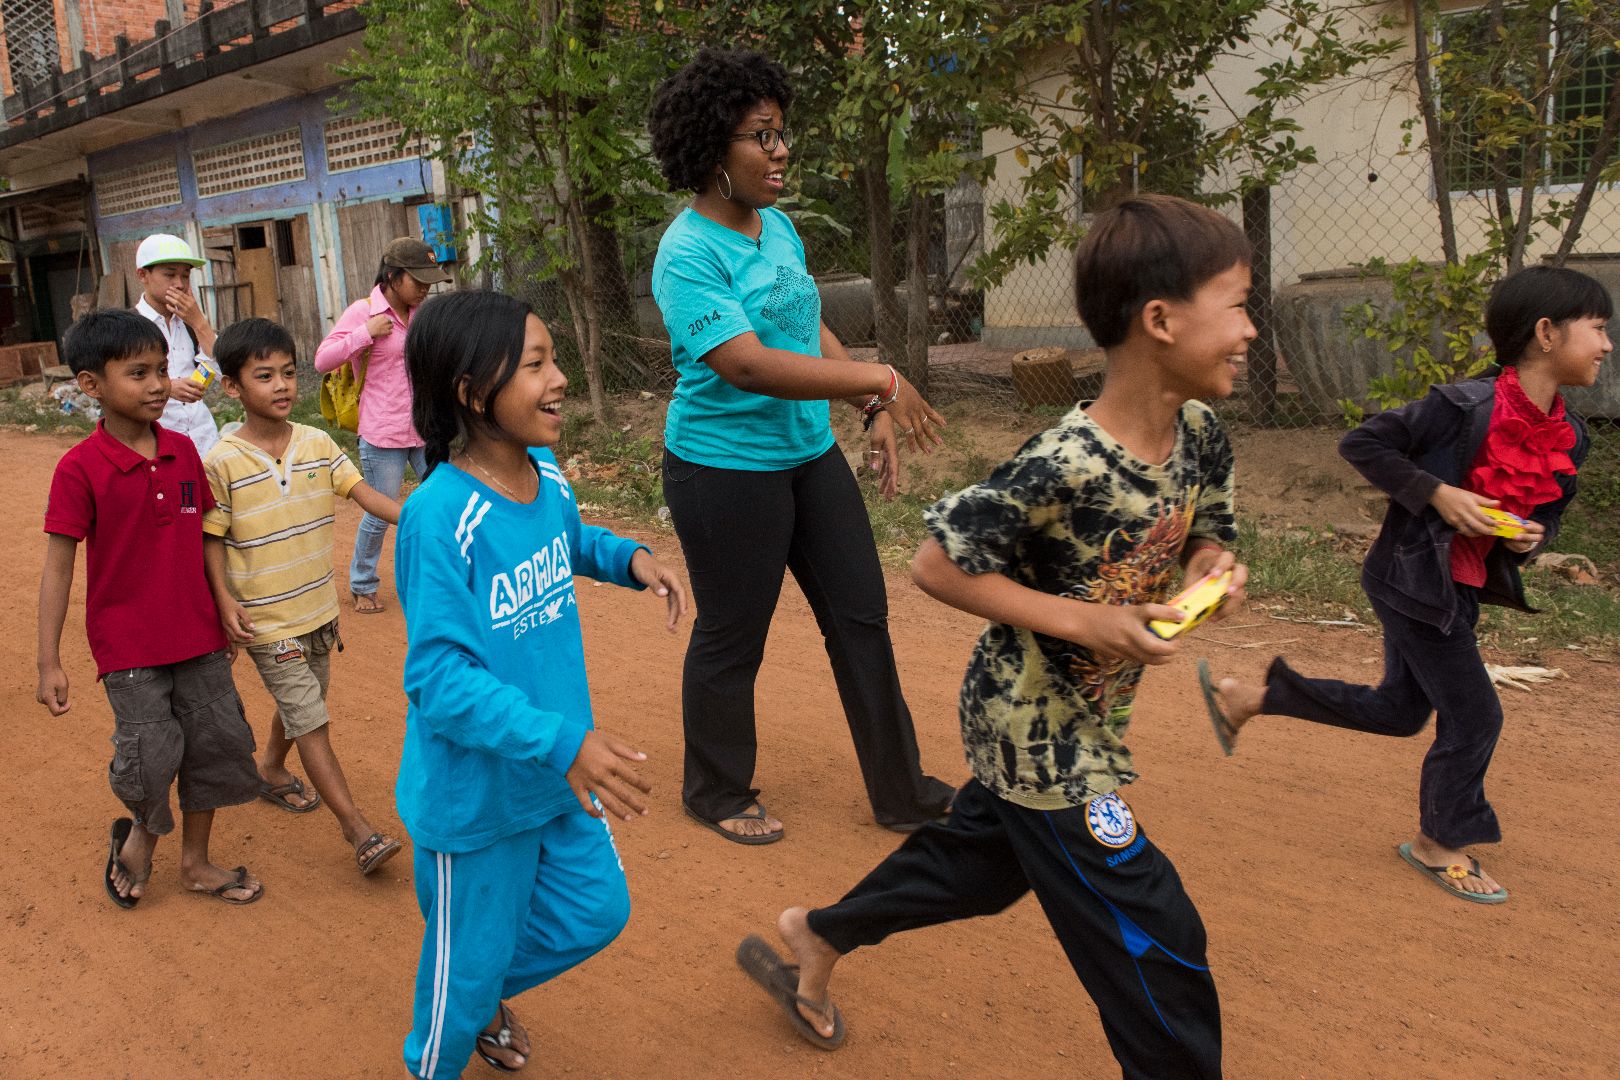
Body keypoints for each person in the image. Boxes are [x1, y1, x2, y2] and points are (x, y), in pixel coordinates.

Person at [736, 194, 1251, 1080]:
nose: (1250, 328)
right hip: (1037, 732)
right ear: (1160, 321)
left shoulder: (1199, 433)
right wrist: (1087, 621)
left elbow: (1214, 529)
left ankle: (817, 936)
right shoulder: (1066, 460)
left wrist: (1212, 569)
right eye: (1238, 303)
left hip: (1086, 717)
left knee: (976, 870)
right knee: (1157, 939)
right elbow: (937, 564)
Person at [1200, 264, 1608, 905]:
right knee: (1476, 714)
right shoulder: (1462, 407)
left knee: (1400, 711)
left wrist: (1534, 534)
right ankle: (1437, 843)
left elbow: (1549, 510)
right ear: (1547, 333)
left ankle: (1248, 698)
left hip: (1455, 586)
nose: (1607, 345)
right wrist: (1438, 493)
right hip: (1410, 578)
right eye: (1599, 328)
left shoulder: (1569, 434)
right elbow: (1364, 442)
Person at [648, 46, 955, 844]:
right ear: (714, 148)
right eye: (762, 137)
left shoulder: (777, 228)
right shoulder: (687, 253)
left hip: (806, 456)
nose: (781, 152)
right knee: (733, 634)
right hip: (723, 469)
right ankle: (715, 789)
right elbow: (745, 362)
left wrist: (862, 398)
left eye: (783, 135)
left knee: (861, 616)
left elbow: (802, 325)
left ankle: (900, 790)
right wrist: (887, 378)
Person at [394, 290, 687, 1077]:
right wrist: (562, 742)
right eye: (535, 365)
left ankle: (471, 986)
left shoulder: (547, 475)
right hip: (481, 797)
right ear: (469, 390)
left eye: (552, 359)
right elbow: (438, 680)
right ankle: (452, 1024)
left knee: (597, 911)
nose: (558, 379)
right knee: (456, 1000)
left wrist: (628, 558)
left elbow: (566, 539)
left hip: (556, 772)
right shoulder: (439, 515)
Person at [36, 309, 264, 907]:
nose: (159, 384)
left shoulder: (186, 452)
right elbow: (58, 566)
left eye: (163, 369)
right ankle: (141, 832)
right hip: (128, 644)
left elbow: (208, 536)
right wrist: (48, 661)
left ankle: (196, 863)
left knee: (214, 744)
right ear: (91, 386)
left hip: (199, 635)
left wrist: (224, 606)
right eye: (138, 373)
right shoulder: (78, 469)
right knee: (151, 753)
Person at [200, 317, 407, 876]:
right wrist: (223, 603)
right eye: (263, 376)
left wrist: (421, 519)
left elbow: (367, 495)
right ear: (233, 388)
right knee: (311, 718)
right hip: (267, 621)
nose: (282, 385)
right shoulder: (221, 462)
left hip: (319, 611)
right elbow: (210, 540)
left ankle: (269, 767)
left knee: (305, 701)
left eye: (288, 373)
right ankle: (358, 830)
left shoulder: (317, 444)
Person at [313, 237, 449, 615]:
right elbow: (322, 360)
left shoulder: (423, 314)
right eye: (417, 280)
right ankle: (363, 582)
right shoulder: (363, 312)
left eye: (428, 281)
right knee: (380, 512)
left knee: (444, 501)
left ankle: (443, 577)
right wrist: (364, 334)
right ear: (392, 276)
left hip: (424, 429)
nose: (424, 288)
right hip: (382, 432)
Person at [133, 233, 220, 456]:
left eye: (185, 275)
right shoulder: (129, 327)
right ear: (143, 275)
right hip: (157, 442)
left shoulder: (191, 322)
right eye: (170, 275)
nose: (179, 285)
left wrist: (199, 321)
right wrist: (168, 387)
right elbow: (120, 384)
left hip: (204, 439)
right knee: (180, 491)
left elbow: (222, 369)